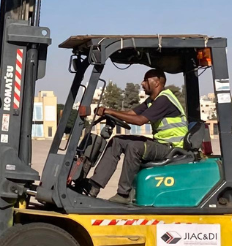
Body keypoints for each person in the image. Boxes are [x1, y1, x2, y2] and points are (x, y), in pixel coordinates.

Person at [78, 68, 188, 205]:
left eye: (146, 80)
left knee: (135, 147)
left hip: (173, 149)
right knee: (117, 141)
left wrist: (109, 111)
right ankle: (93, 187)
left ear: (156, 83)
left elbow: (140, 120)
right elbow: (132, 113)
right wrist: (108, 112)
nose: (142, 83)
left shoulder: (164, 99)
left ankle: (124, 194)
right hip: (161, 144)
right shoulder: (152, 100)